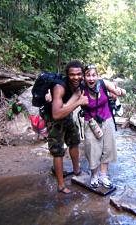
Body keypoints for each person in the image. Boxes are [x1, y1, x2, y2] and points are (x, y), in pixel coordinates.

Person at [45, 60, 88, 194]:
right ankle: (61, 185)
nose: (75, 77)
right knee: (58, 150)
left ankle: (77, 170)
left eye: (78, 74)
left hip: (67, 114)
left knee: (74, 141)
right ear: (67, 75)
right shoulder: (60, 87)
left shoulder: (80, 82)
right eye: (72, 74)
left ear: (82, 74)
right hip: (54, 118)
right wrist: (78, 101)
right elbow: (57, 114)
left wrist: (115, 89)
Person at [82, 64, 126, 189]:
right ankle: (94, 176)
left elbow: (122, 92)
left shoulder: (103, 83)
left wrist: (119, 92)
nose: (91, 78)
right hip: (90, 121)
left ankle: (103, 176)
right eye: (88, 75)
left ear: (98, 76)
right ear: (84, 77)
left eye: (93, 75)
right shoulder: (81, 88)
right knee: (92, 148)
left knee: (107, 147)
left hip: (106, 119)